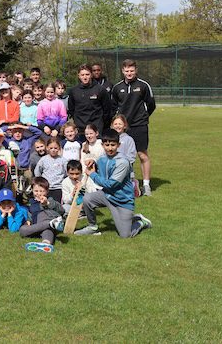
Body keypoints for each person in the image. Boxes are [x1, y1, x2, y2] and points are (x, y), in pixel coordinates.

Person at [75, 129, 153, 237]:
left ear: (118, 145)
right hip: (106, 195)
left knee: (125, 235)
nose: (110, 148)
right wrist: (93, 162)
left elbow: (110, 184)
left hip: (122, 201)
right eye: (107, 145)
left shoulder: (123, 162)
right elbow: (102, 166)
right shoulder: (102, 158)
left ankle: (140, 221)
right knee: (87, 199)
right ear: (102, 145)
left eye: (113, 145)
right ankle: (92, 227)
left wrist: (92, 174)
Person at [111, 59, 156, 196]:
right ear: (122, 71)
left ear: (136, 70)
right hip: (122, 128)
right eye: (127, 71)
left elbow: (151, 105)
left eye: (131, 70)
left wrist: (143, 117)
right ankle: (126, 183)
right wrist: (119, 123)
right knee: (121, 156)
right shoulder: (117, 88)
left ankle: (146, 185)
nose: (129, 73)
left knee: (142, 154)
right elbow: (113, 107)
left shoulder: (143, 85)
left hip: (139, 125)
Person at [19, 177, 65, 250]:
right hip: (37, 226)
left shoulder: (50, 200)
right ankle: (51, 224)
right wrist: (29, 221)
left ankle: (46, 243)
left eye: (42, 191)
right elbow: (30, 214)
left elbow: (61, 210)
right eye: (36, 191)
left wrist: (47, 203)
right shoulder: (31, 202)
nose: (39, 193)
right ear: (32, 190)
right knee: (22, 230)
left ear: (47, 191)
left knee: (46, 226)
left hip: (47, 221)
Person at [67, 64, 111, 137]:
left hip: (96, 128)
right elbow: (71, 109)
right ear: (79, 76)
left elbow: (107, 110)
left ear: (91, 75)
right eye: (82, 75)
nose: (85, 77)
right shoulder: (73, 91)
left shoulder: (100, 90)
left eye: (87, 74)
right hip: (80, 128)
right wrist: (77, 122)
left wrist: (101, 123)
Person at [34, 138, 67, 203]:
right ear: (47, 148)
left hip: (58, 188)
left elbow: (66, 173)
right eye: (51, 148)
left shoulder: (63, 160)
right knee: (45, 203)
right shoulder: (43, 159)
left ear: (59, 148)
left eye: (55, 148)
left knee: (56, 205)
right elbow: (37, 171)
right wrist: (40, 182)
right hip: (46, 188)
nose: (53, 150)